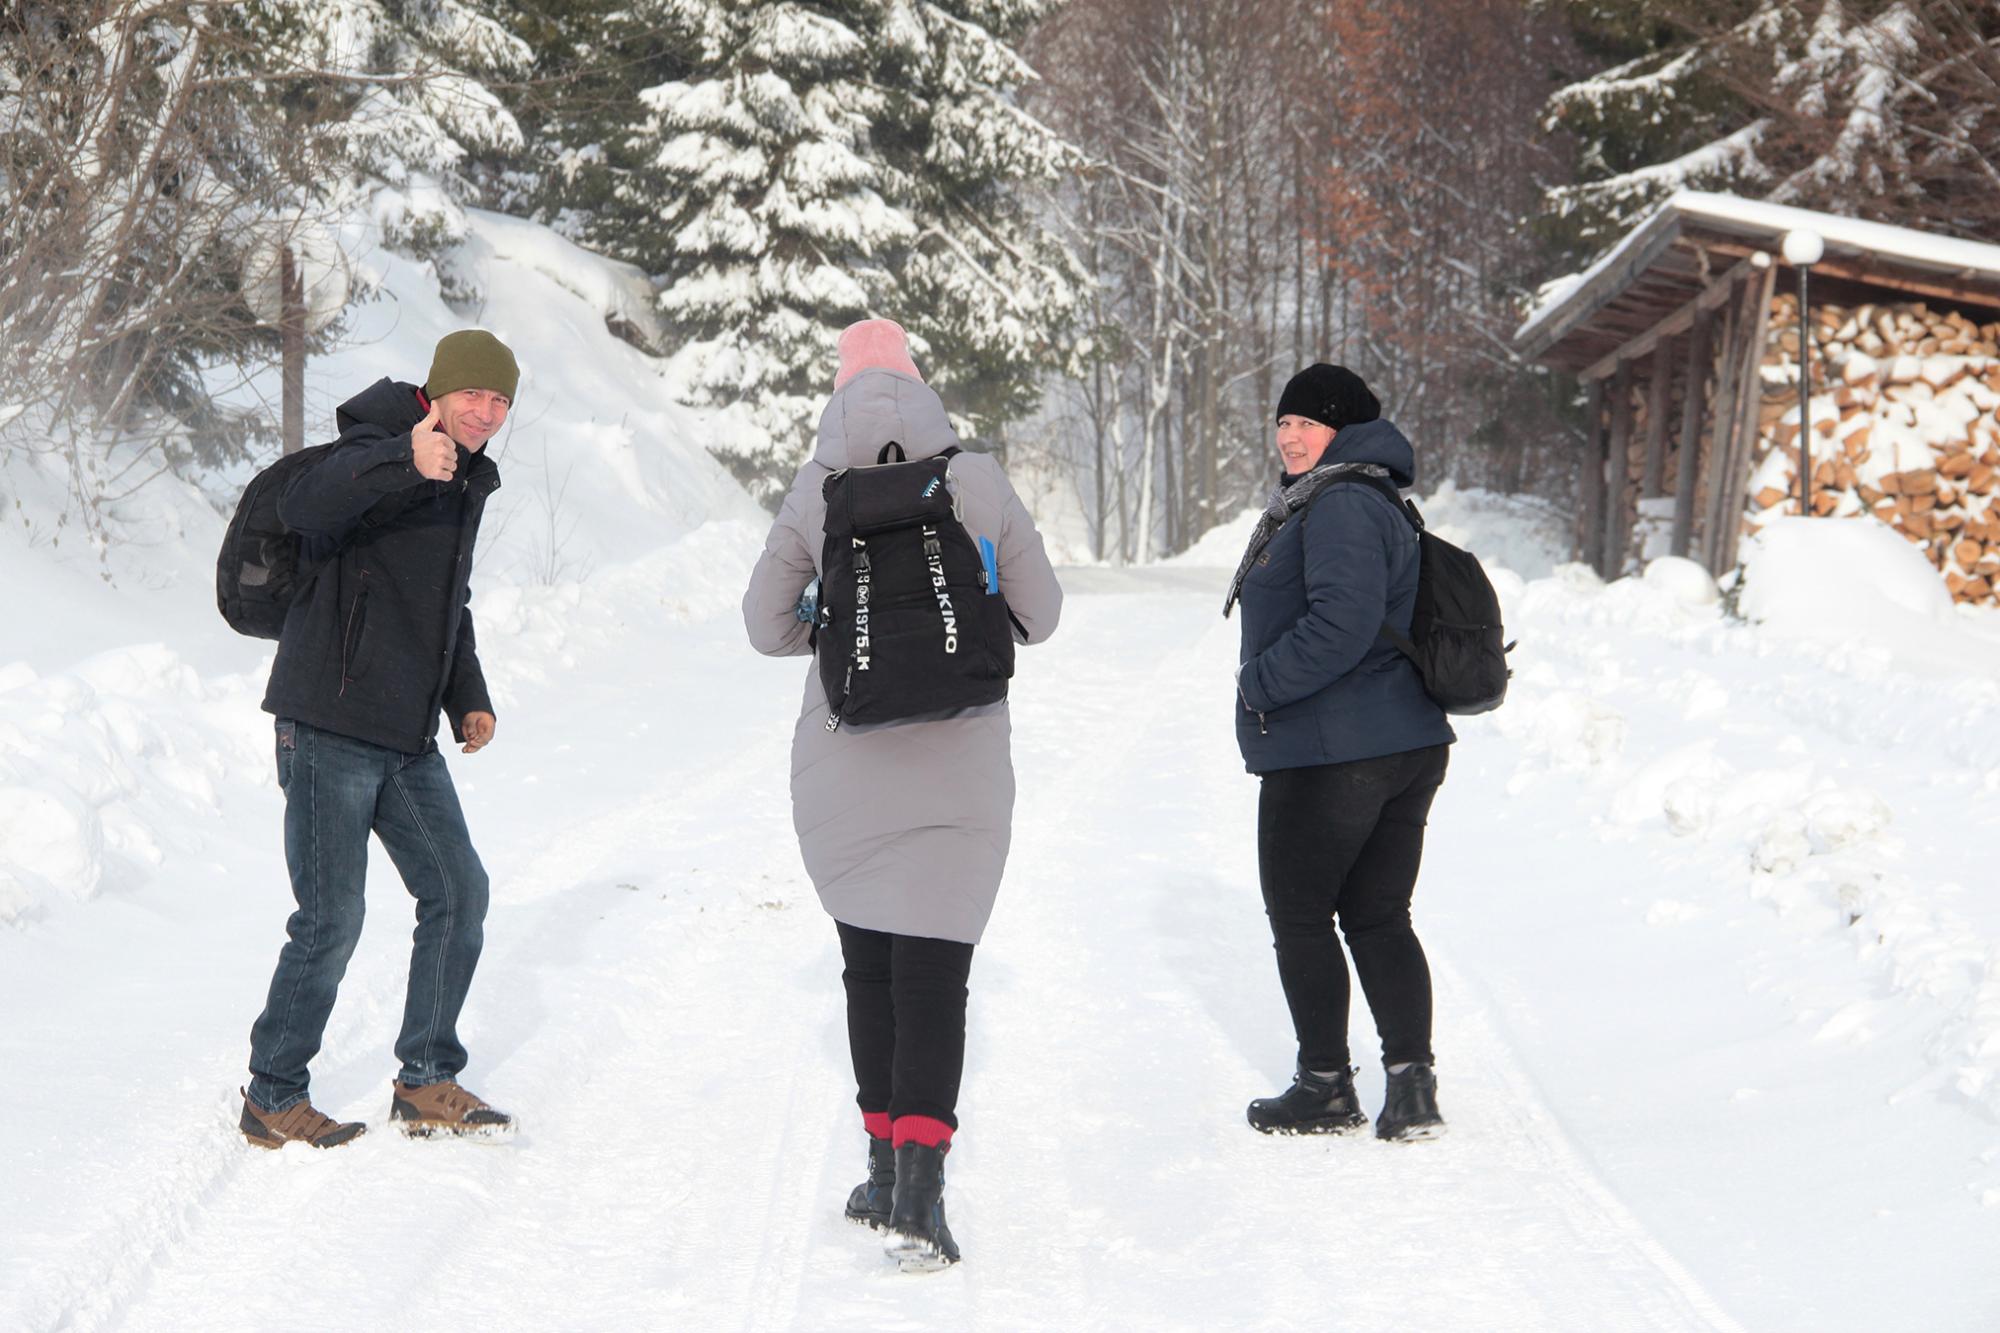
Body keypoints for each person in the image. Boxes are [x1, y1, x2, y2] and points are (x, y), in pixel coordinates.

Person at [742, 319, 1062, 1270]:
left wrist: (830, 626)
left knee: (867, 971)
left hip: (846, 756)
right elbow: (1040, 617)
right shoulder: (980, 478)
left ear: (837, 395)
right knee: (935, 978)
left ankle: (880, 1169)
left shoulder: (816, 490)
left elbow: (764, 626)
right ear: (925, 388)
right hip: (961, 760)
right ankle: (921, 1193)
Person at [238, 330, 519, 1149]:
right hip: (328, 720)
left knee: (459, 890)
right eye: (473, 394)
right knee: (332, 918)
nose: (484, 412)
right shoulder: (376, 441)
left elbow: (447, 604)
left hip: (404, 734)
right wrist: (404, 457)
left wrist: (468, 696)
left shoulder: (467, 480)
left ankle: (426, 1076)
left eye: (500, 401)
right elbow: (307, 507)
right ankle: (272, 1093)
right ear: (438, 390)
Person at [1223, 363, 1455, 1142]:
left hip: (1336, 751)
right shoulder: (1367, 495)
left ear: (1344, 431)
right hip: (1399, 740)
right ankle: (1411, 1089)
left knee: (1301, 914)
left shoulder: (1341, 502)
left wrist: (1259, 684)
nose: (1290, 437)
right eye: (1283, 423)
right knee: (1379, 915)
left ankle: (1325, 1084)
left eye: (1308, 424)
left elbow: (1341, 624)